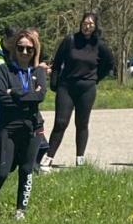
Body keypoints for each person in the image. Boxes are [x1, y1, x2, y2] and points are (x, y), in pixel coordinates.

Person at [0, 28, 47, 220]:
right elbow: (2, 98)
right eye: (20, 48)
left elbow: (40, 97)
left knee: (27, 170)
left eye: (29, 49)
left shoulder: (39, 71)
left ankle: (21, 210)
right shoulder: (4, 70)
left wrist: (16, 93)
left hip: (32, 127)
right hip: (8, 127)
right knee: (1, 171)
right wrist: (27, 98)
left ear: (35, 51)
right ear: (14, 49)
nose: (25, 53)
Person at [40, 12, 114, 171]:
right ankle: (48, 158)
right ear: (81, 24)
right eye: (85, 23)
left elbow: (109, 64)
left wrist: (95, 79)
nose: (87, 26)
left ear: (95, 27)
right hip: (66, 86)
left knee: (82, 123)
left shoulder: (99, 45)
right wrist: (54, 83)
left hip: (87, 88)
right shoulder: (70, 40)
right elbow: (58, 61)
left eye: (91, 24)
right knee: (60, 122)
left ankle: (80, 159)